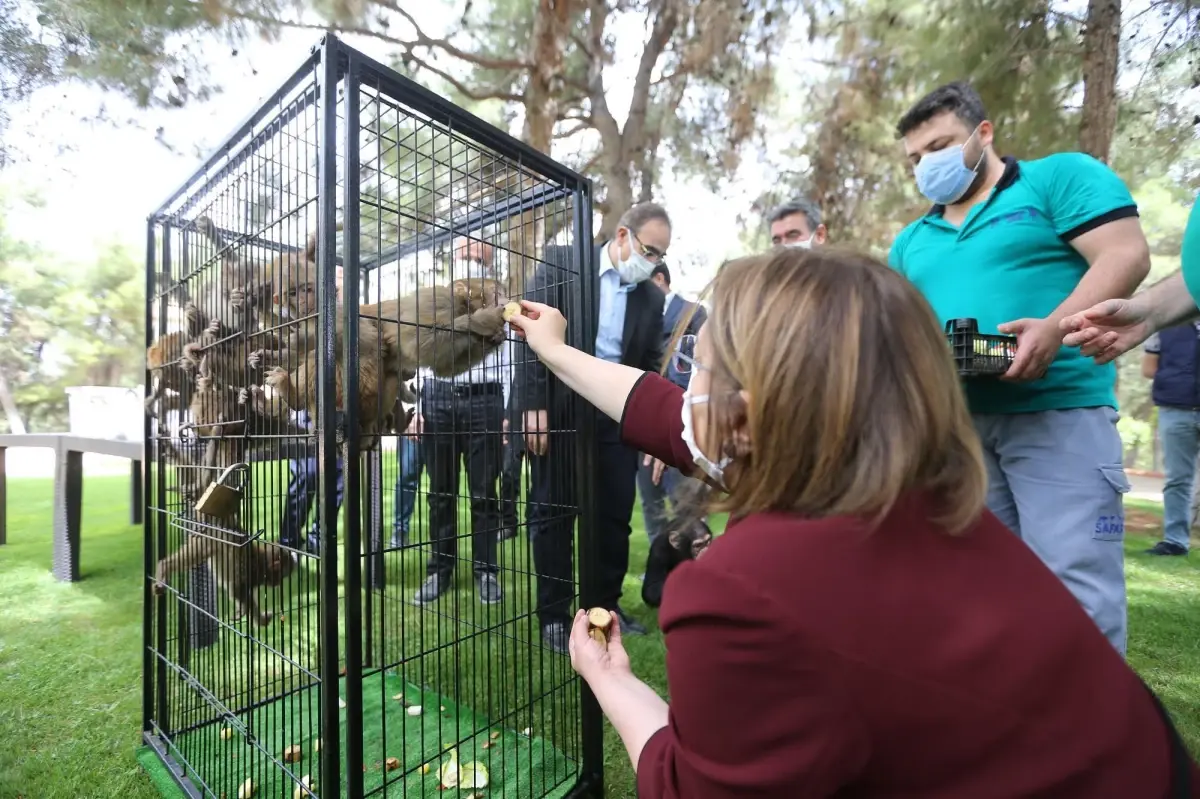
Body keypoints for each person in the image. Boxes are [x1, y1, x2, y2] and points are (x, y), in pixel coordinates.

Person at [507, 247, 1198, 798]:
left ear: (744, 419)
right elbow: (658, 409)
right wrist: (556, 350)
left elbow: (692, 784)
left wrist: (611, 680)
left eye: (700, 372)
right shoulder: (902, 486)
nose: (688, 393)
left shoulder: (743, 592)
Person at [888, 80, 1151, 655]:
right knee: (986, 587)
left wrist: (1053, 330)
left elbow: (1126, 254)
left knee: (1074, 586)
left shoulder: (1057, 179)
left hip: (1060, 413)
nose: (927, 165)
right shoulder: (912, 240)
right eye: (915, 158)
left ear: (983, 134)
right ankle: (1015, 728)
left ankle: (1095, 736)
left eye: (940, 145)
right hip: (960, 429)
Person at [516, 201, 670, 652]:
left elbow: (647, 365)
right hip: (559, 410)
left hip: (616, 416)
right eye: (650, 250)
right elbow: (529, 332)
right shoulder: (563, 263)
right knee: (551, 512)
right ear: (622, 236)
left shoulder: (651, 298)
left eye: (660, 255)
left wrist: (650, 426)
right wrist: (532, 405)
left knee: (613, 516)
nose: (653, 262)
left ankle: (605, 607)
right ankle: (553, 614)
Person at [412, 240, 510, 605]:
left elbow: (512, 354)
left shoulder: (502, 297)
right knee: (440, 493)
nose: (468, 253)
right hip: (438, 396)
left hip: (485, 398)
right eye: (462, 249)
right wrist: (419, 405)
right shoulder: (437, 297)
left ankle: (487, 572)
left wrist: (508, 411)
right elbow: (419, 347)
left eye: (475, 248)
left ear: (489, 252)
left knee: (485, 493)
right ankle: (440, 571)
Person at [637, 262, 707, 547]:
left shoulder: (693, 312)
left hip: (681, 423)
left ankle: (693, 564)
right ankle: (658, 573)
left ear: (659, 278)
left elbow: (698, 373)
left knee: (685, 506)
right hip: (644, 421)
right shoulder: (639, 316)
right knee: (651, 502)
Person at [1141, 326, 1200, 557]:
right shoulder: (1165, 327)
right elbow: (1148, 369)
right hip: (1175, 409)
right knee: (1178, 479)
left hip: (1176, 406)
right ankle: (1175, 542)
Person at [391, 402, 424, 548]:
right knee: (407, 475)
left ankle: (443, 541)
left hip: (440, 409)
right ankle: (400, 531)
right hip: (410, 415)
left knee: (441, 480)